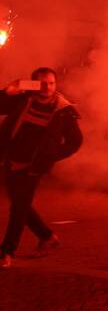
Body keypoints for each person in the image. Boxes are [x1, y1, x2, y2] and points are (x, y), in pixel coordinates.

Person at [0, 67, 82, 269]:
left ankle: (6, 252)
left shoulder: (64, 110)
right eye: (42, 83)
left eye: (51, 83)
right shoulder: (23, 100)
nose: (47, 87)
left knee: (18, 209)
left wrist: (50, 157)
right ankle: (47, 236)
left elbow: (75, 141)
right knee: (21, 204)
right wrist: (8, 91)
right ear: (34, 83)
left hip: (33, 167)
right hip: (11, 161)